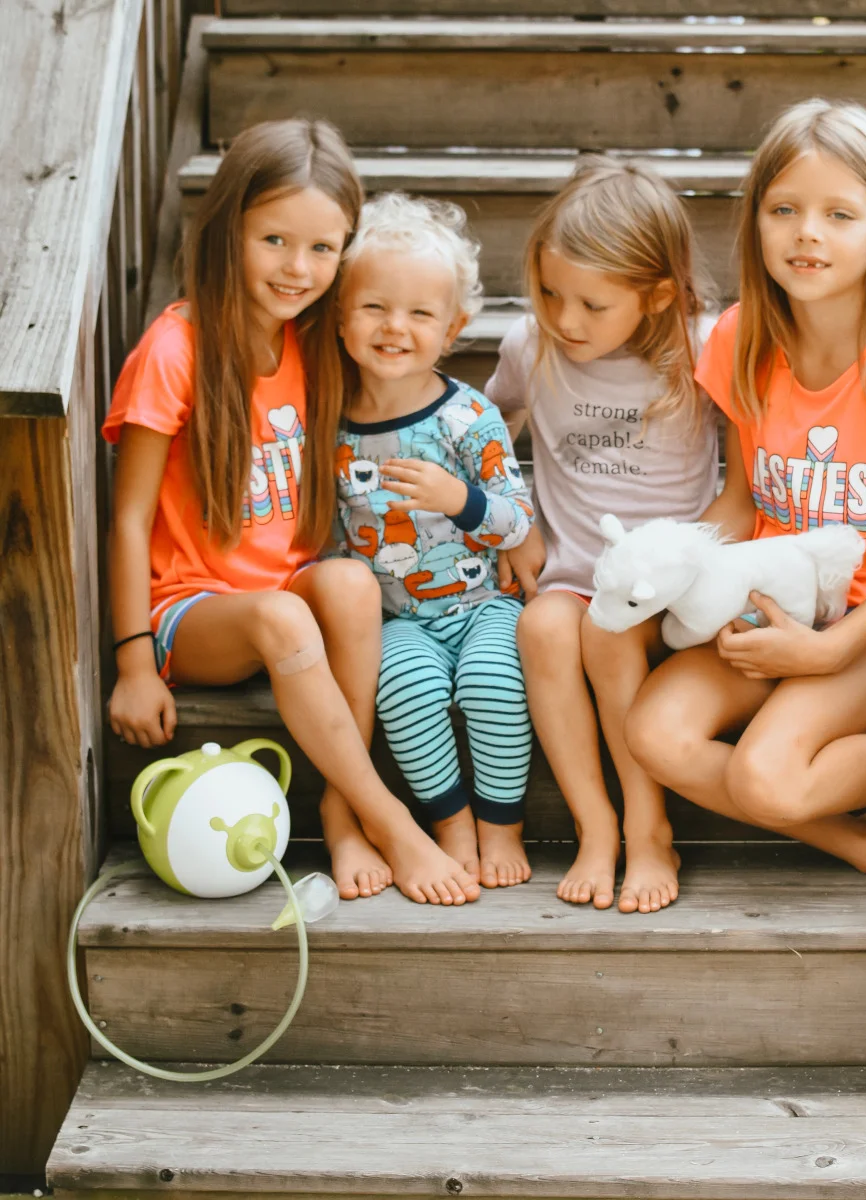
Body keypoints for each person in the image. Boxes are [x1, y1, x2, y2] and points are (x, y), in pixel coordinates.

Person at [105, 119, 481, 907]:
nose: (297, 267)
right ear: (227, 228)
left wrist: (495, 517)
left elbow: (417, 387)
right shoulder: (176, 350)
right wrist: (135, 662)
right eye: (274, 239)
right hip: (194, 612)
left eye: (322, 249)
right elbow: (131, 516)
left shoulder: (314, 345)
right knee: (283, 617)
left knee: (346, 585)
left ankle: (340, 821)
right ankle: (391, 821)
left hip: (295, 591)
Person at [626, 99, 866, 873]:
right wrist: (683, 573)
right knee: (653, 732)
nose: (806, 232)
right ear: (756, 223)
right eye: (783, 209)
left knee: (765, 775)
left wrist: (829, 652)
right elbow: (745, 500)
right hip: (776, 595)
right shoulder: (740, 340)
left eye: (839, 213)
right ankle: (858, 843)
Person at [486, 157, 719, 913]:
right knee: (545, 630)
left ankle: (651, 830)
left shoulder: (701, 349)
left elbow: (761, 451)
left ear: (655, 295)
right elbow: (487, 426)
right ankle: (598, 826)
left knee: (606, 634)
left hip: (669, 587)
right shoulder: (532, 346)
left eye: (592, 303)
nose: (566, 318)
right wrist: (510, 514)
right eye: (551, 292)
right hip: (575, 572)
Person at [335, 192, 535, 890]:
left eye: (420, 313)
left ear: (453, 326)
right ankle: (449, 823)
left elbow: (518, 521)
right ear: (340, 312)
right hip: (396, 619)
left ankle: (500, 823)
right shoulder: (331, 422)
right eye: (375, 308)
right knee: (407, 689)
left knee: (491, 684)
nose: (396, 327)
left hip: (482, 605)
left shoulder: (468, 415)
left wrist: (461, 500)